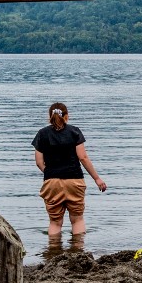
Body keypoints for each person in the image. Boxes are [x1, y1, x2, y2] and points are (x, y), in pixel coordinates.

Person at [32, 102, 106, 246]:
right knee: (77, 219)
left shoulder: (42, 134)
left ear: (49, 116)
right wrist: (97, 179)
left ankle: (53, 252)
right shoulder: (75, 132)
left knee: (55, 222)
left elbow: (39, 162)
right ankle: (78, 252)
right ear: (67, 116)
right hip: (74, 180)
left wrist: (51, 172)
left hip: (51, 182)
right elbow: (83, 157)